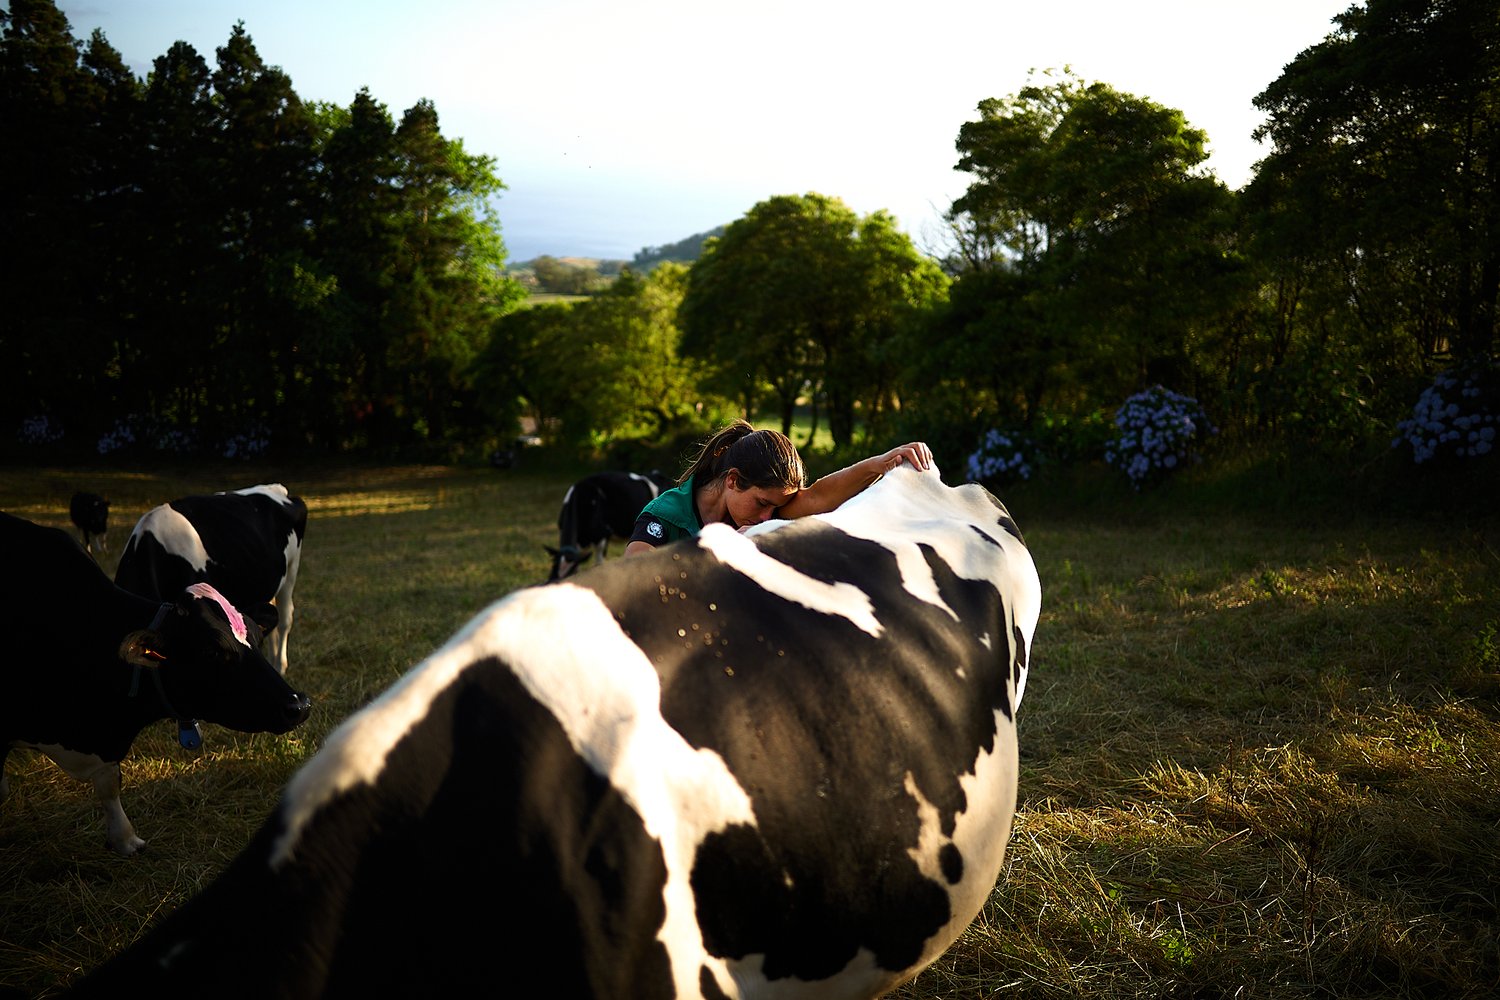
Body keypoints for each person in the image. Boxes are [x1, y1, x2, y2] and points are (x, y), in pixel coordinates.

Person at [623, 419, 932, 556]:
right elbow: (633, 579)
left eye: (774, 507)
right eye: (761, 503)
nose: (768, 517)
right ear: (733, 480)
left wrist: (879, 464)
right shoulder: (663, 516)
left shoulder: (762, 509)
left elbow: (819, 496)